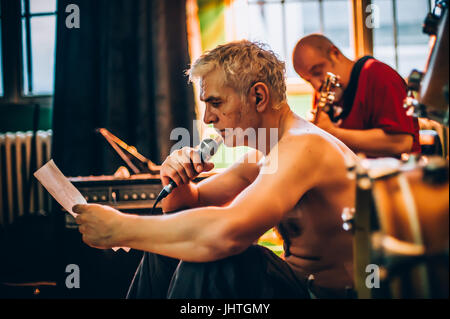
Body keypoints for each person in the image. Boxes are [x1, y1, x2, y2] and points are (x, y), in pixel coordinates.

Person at [73, 40, 357, 299]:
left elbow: (227, 235)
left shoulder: (304, 147)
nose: (208, 118)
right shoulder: (261, 158)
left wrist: (120, 228)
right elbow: (183, 212)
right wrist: (178, 181)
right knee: (166, 247)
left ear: (258, 97)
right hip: (294, 286)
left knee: (220, 259)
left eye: (216, 103)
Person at [292, 34, 421, 158]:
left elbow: (402, 142)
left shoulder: (380, 76)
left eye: (318, 72)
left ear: (335, 53)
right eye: (308, 81)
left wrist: (334, 133)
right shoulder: (323, 91)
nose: (316, 85)